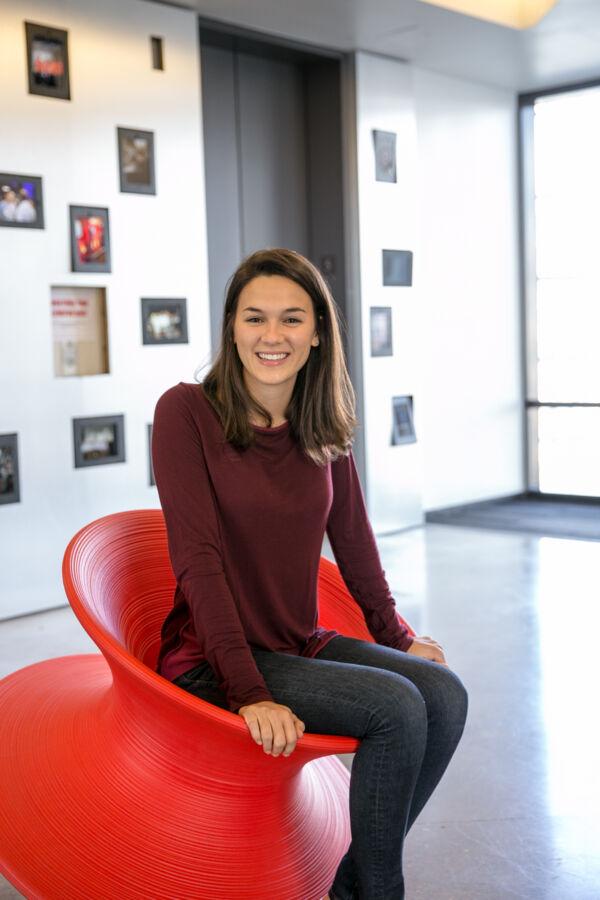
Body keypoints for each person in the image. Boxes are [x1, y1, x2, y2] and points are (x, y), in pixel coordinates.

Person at [151, 247, 468, 900]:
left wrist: (396, 633)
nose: (273, 336)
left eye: (292, 319)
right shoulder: (186, 413)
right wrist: (247, 690)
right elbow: (198, 562)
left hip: (296, 642)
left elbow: (354, 541)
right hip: (215, 660)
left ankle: (352, 890)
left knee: (443, 692)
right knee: (397, 709)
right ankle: (377, 894)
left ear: (318, 330)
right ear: (231, 327)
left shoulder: (322, 422)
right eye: (255, 318)